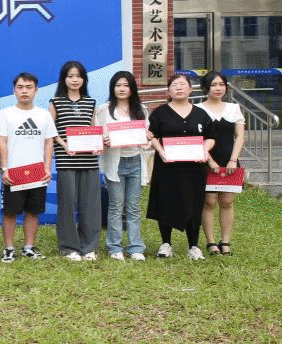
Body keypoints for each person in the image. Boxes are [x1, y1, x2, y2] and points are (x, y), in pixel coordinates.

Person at [146, 73, 215, 260]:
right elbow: (152, 136)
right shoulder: (160, 113)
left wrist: (204, 151)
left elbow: (210, 137)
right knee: (166, 202)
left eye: (183, 84)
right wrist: (161, 151)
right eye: (174, 85)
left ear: (190, 89)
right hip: (167, 167)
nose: (179, 88)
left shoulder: (201, 114)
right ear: (168, 91)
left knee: (194, 204)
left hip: (194, 169)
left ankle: (193, 246)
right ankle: (166, 243)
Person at [0, 72, 56, 262]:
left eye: (29, 87)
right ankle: (9, 248)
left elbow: (49, 143)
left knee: (33, 211)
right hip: (14, 172)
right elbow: (1, 143)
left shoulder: (44, 115)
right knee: (10, 212)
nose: (24, 91)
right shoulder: (5, 114)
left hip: (37, 172)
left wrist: (47, 168)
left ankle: (29, 247)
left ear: (36, 90)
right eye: (20, 87)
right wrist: (4, 169)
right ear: (14, 90)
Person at [95, 71, 151, 261]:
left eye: (126, 85)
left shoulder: (141, 110)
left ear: (132, 88)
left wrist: (147, 137)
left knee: (133, 207)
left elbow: (146, 140)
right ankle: (114, 247)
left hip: (135, 161)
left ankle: (136, 248)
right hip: (115, 163)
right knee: (116, 206)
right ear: (112, 88)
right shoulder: (104, 110)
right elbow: (98, 137)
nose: (121, 89)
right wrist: (104, 140)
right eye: (118, 85)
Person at [49, 61, 101, 259]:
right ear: (64, 79)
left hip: (89, 161)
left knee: (90, 205)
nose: (74, 80)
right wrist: (64, 144)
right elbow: (50, 131)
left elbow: (93, 128)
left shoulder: (91, 102)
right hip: (66, 160)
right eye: (70, 76)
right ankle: (69, 247)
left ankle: (89, 247)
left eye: (78, 76)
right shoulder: (56, 102)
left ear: (84, 79)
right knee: (67, 204)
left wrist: (96, 144)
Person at [198, 71, 245, 256]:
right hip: (206, 160)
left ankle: (225, 242)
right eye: (213, 85)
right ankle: (210, 242)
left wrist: (233, 160)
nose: (218, 88)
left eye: (221, 84)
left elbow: (240, 136)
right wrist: (209, 160)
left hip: (229, 160)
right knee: (209, 201)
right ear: (205, 88)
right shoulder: (197, 109)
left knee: (227, 201)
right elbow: (197, 139)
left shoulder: (234, 108)